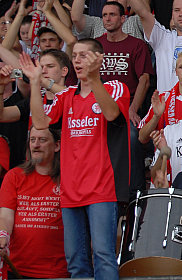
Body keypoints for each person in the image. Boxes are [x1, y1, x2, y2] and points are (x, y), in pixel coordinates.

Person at [25, 38, 130, 280]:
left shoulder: (115, 87)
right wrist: (34, 83)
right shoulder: (66, 95)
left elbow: (111, 113)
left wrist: (93, 79)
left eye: (84, 55)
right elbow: (40, 122)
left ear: (99, 59)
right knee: (75, 260)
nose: (77, 60)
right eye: (74, 56)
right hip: (70, 190)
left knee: (103, 255)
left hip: (102, 188)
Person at [0, 127, 69, 279]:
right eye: (32, 140)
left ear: (57, 145)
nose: (36, 145)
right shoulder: (14, 176)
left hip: (56, 272)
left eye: (42, 140)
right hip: (16, 270)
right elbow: (5, 216)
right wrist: (3, 235)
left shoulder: (68, 178)